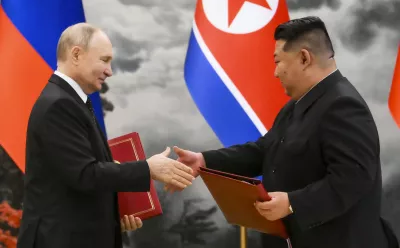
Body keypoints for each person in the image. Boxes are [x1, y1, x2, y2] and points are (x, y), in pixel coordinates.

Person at [169, 17, 399, 248]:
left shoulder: (344, 105)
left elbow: (353, 179)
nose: (275, 73)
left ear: (304, 58)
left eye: (278, 61)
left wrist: (292, 203)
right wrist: (204, 160)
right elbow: (265, 151)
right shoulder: (297, 104)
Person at [17, 23, 195, 248]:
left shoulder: (69, 100)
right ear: (76, 54)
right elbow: (85, 174)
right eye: (104, 60)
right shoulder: (59, 104)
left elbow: (75, 180)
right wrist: (148, 168)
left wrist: (114, 217)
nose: (110, 71)